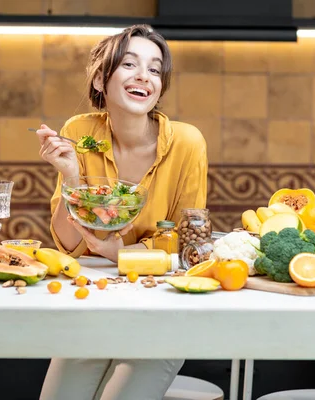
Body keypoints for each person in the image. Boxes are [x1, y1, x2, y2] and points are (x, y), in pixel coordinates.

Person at [35, 24, 208, 400]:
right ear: (101, 79)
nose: (144, 76)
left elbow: (190, 242)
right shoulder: (79, 131)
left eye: (154, 68)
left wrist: (119, 254)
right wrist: (70, 176)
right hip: (94, 300)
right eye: (129, 64)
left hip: (163, 308)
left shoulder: (187, 143)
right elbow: (67, 242)